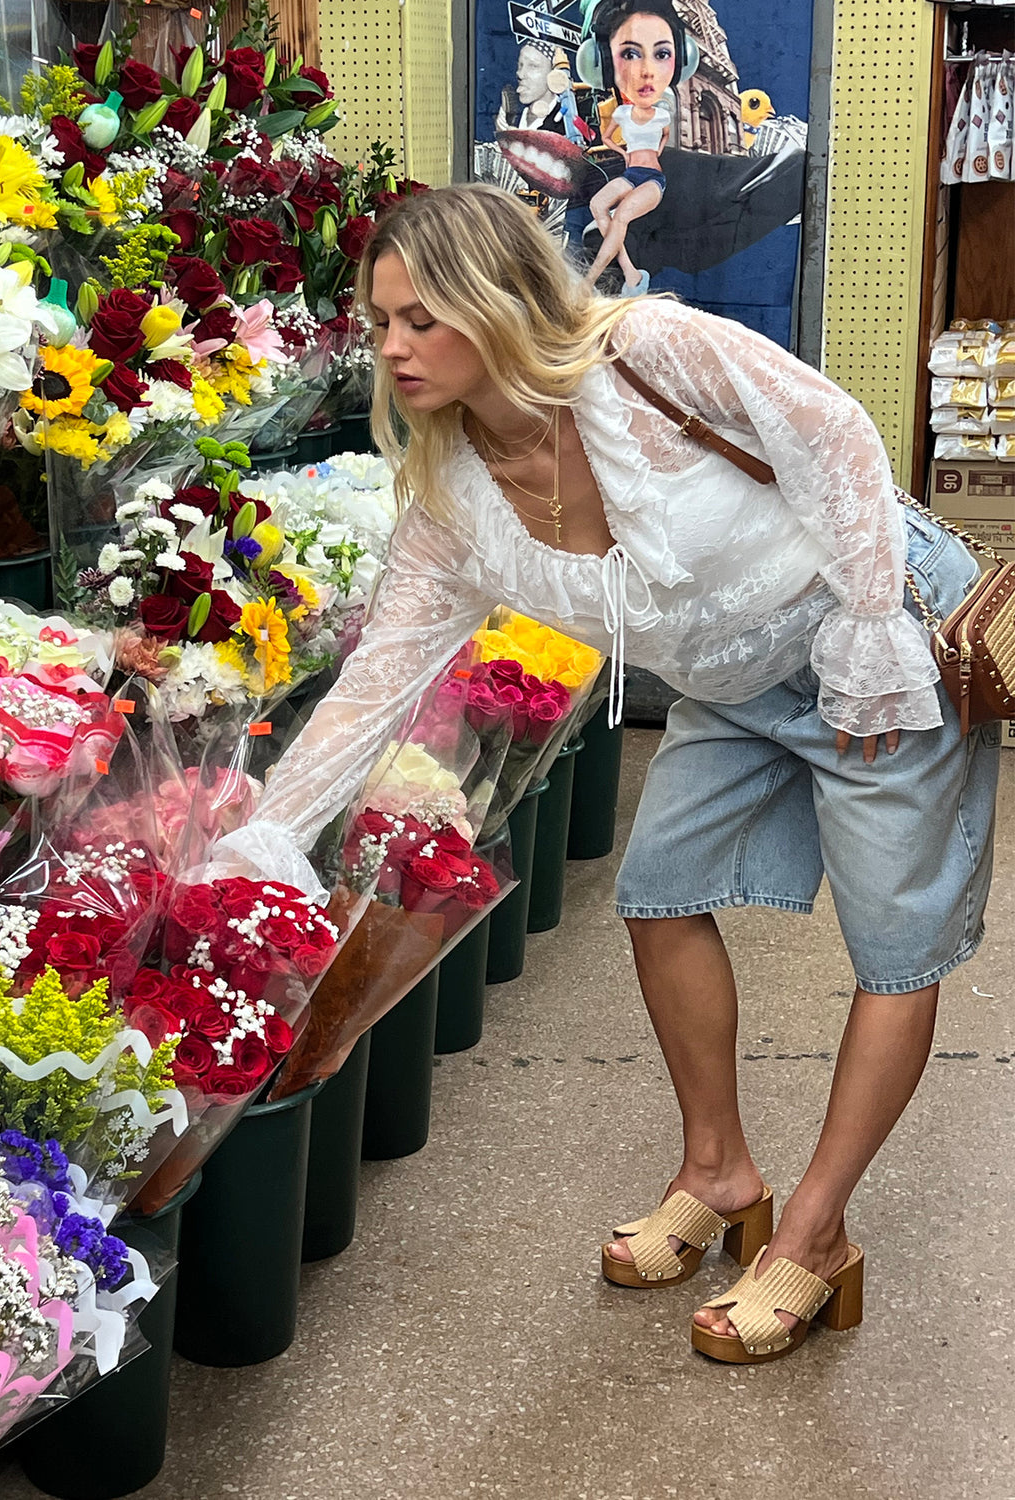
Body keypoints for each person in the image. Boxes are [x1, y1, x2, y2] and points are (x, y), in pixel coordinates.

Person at [216, 184, 1000, 1365]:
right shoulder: (453, 497)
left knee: (894, 943)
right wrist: (265, 840)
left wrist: (871, 630)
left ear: (498, 302)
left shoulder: (646, 353)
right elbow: (377, 681)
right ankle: (718, 1171)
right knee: (659, 893)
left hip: (867, 631)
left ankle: (817, 1231)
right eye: (380, 322)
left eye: (421, 318)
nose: (392, 348)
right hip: (732, 686)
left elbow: (835, 432)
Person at [584, 0, 686, 293]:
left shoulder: (663, 116)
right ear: (603, 62)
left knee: (622, 216)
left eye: (662, 54)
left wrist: (656, 153)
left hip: (653, 179)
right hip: (631, 175)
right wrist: (623, 153)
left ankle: (588, 281)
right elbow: (607, 137)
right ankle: (630, 272)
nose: (647, 71)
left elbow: (665, 136)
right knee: (597, 205)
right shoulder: (621, 114)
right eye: (630, 53)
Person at [496, 40, 571, 135]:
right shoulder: (512, 117)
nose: (520, 74)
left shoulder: (567, 124)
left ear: (554, 74)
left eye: (533, 66)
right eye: (520, 65)